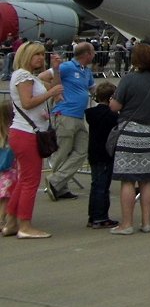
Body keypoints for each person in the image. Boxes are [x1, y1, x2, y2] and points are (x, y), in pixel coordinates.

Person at [108, 41, 150, 235]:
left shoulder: (129, 79)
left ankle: (127, 223)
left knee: (127, 180)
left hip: (131, 134)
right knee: (147, 180)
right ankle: (146, 222)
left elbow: (115, 107)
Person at [5, 41, 63, 238]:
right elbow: (28, 102)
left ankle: (12, 221)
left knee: (24, 180)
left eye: (41, 54)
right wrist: (50, 93)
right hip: (26, 133)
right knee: (31, 181)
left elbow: (55, 89)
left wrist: (56, 71)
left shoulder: (29, 77)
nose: (40, 58)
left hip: (27, 132)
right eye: (36, 54)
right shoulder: (23, 76)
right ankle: (25, 225)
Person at [45, 40, 96, 201]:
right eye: (93, 52)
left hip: (79, 116)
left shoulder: (86, 71)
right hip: (65, 114)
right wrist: (55, 92)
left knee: (82, 150)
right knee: (63, 151)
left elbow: (92, 88)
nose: (94, 55)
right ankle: (59, 185)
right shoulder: (67, 67)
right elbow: (42, 77)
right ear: (87, 54)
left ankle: (57, 181)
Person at [85, 81, 119, 229]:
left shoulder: (92, 114)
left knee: (96, 185)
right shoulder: (111, 116)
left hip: (94, 153)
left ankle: (93, 216)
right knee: (102, 187)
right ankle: (100, 216)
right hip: (105, 154)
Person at [0, 96, 17, 230]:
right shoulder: (13, 132)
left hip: (2, 170)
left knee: (2, 196)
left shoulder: (2, 131)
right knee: (6, 197)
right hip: (9, 170)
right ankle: (2, 219)